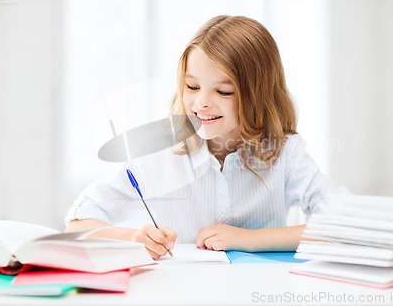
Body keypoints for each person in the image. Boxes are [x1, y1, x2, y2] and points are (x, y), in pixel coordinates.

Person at [65, 15, 348, 259]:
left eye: (223, 91)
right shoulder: (160, 151)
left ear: (259, 97)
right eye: (192, 86)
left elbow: (345, 224)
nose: (201, 103)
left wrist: (246, 239)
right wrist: (130, 238)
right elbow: (77, 224)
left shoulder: (285, 152)